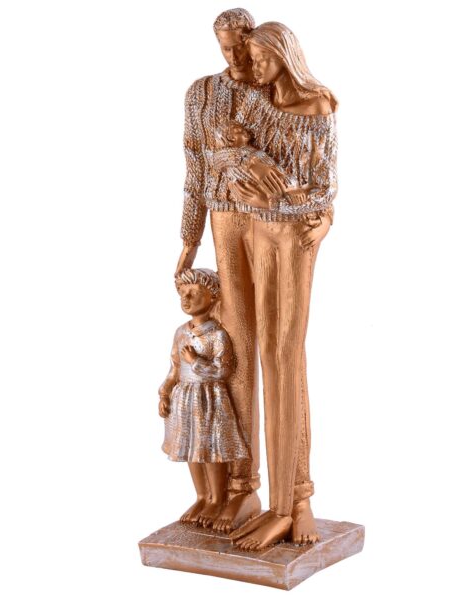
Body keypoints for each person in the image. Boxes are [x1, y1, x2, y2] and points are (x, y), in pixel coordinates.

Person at [223, 21, 338, 550]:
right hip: (256, 233)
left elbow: (325, 187)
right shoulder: (256, 101)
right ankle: (279, 503)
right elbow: (227, 155)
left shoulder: (317, 105)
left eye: (261, 59)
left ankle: (289, 506)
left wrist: (285, 201)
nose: (254, 68)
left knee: (284, 357)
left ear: (283, 55)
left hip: (293, 238)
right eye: (250, 59)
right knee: (265, 353)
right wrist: (244, 163)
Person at [176, 8, 269, 533]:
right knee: (232, 341)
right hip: (222, 217)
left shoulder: (274, 86)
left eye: (239, 46)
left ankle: (258, 488)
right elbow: (194, 166)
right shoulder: (201, 93)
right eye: (224, 47)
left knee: (269, 342)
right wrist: (189, 237)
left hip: (271, 218)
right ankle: (234, 486)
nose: (233, 57)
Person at [158, 268, 248, 527]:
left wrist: (195, 361)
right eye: (183, 293)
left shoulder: (217, 334)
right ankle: (201, 496)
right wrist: (165, 392)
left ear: (213, 297)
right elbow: (175, 367)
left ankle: (217, 498)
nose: (186, 298)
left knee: (209, 449)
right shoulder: (180, 332)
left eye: (194, 293)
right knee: (191, 448)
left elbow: (223, 370)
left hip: (208, 398)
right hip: (184, 398)